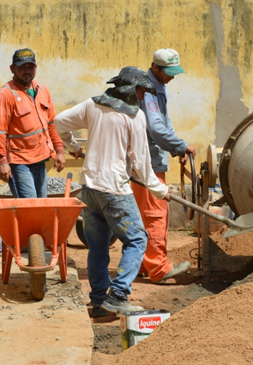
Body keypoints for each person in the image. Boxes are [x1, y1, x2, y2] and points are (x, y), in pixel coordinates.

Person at [54, 66, 171, 314]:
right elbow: (140, 162)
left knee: (98, 246)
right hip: (114, 189)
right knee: (137, 239)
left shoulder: (92, 105)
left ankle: (98, 300)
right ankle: (118, 294)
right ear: (132, 89)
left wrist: (73, 147)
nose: (143, 97)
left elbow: (59, 122)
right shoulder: (134, 117)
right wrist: (160, 191)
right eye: (142, 91)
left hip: (89, 187)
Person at [131, 48, 197, 284]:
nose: (172, 76)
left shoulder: (157, 87)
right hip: (147, 164)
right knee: (154, 213)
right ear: (155, 68)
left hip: (145, 161)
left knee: (140, 215)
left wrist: (175, 148)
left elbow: (163, 126)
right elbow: (156, 129)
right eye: (168, 72)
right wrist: (180, 146)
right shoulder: (149, 90)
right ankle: (158, 268)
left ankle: (140, 264)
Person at [0, 48, 66, 198]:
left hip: (40, 159)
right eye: (22, 68)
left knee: (41, 205)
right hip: (19, 162)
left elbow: (51, 123)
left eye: (30, 67)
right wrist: (1, 162)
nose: (27, 71)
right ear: (12, 69)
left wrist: (59, 150)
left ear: (35, 68)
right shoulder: (5, 95)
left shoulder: (42, 90)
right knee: (29, 207)